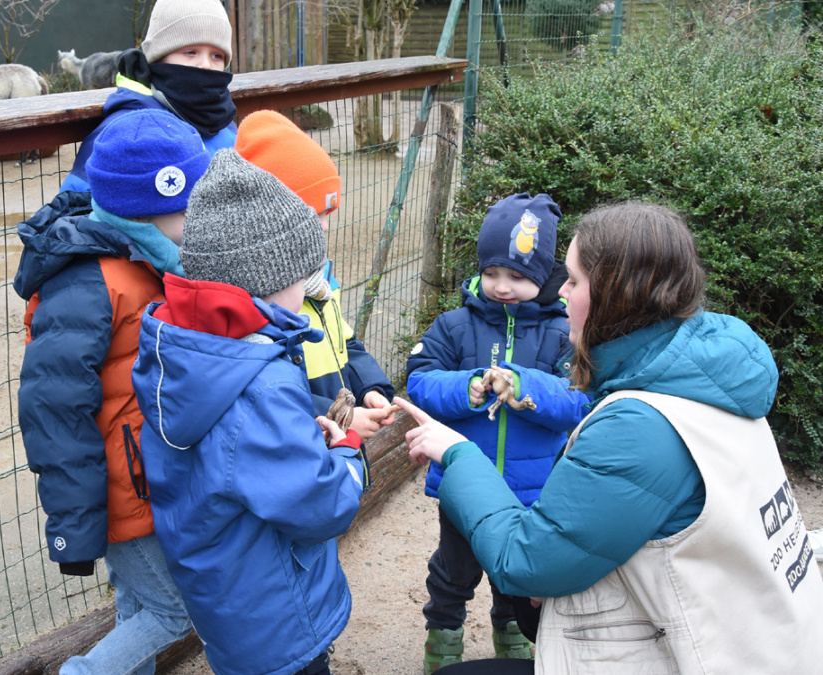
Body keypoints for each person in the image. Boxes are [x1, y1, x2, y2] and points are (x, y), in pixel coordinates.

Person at [399, 202, 823, 673]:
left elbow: (528, 562)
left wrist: (458, 453)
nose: (559, 290)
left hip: (699, 654)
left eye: (574, 281)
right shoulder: (703, 376)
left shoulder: (640, 422)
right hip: (745, 631)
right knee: (458, 577)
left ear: (617, 293)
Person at [131, 149, 366, 675]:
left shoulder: (182, 352)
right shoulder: (263, 384)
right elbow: (320, 503)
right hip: (281, 619)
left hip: (229, 605)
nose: (307, 292)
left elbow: (235, 461)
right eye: (300, 279)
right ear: (267, 278)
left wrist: (301, 438)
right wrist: (348, 454)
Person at [14, 109, 212, 675]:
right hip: (124, 485)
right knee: (171, 612)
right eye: (186, 208)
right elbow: (52, 406)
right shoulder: (93, 279)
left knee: (137, 608)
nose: (194, 221)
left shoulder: (149, 260)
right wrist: (76, 521)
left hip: (146, 474)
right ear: (148, 207)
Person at [406, 193, 591, 671]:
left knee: (518, 573)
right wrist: (465, 388)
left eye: (518, 276)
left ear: (544, 277)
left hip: (531, 490)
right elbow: (420, 380)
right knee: (452, 571)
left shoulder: (562, 331)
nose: (502, 286)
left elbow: (578, 400)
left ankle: (511, 634)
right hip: (463, 485)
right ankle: (442, 643)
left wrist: (524, 387)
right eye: (492, 274)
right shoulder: (453, 326)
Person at [235, 109, 397, 462]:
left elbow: (346, 343)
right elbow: (260, 391)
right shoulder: (260, 298)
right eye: (312, 214)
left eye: (328, 213)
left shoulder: (320, 278)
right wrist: (339, 416)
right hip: (294, 456)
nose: (324, 227)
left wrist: (368, 387)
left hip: (334, 444)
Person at [60, 0, 236, 193]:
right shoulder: (125, 130)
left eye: (217, 56)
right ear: (159, 56)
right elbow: (73, 205)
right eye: (190, 52)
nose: (206, 65)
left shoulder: (225, 125)